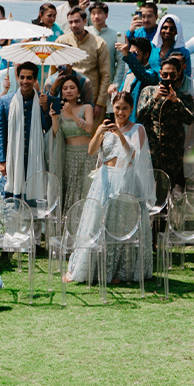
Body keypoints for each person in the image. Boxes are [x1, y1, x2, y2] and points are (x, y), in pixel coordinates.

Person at [64, 91, 154, 284]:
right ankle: (90, 267)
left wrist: (120, 134)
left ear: (131, 109)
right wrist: (99, 132)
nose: (120, 112)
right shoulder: (104, 127)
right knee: (96, 222)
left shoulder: (137, 129)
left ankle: (120, 270)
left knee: (121, 225)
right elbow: (91, 151)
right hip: (104, 179)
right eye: (117, 108)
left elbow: (133, 155)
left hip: (126, 180)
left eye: (124, 109)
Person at [136, 54, 194, 190]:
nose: (168, 78)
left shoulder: (184, 96)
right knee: (148, 188)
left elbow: (190, 119)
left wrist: (176, 102)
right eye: (165, 75)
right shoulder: (148, 91)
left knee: (168, 189)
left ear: (178, 74)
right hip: (152, 149)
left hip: (173, 152)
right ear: (160, 73)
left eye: (172, 75)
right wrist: (155, 98)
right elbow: (140, 115)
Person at [0, 62, 51, 199]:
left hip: (35, 156)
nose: (25, 81)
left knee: (33, 197)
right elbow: (1, 132)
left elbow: (48, 128)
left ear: (35, 79)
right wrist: (2, 160)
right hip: (13, 156)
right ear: (17, 78)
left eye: (29, 78)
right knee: (11, 197)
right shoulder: (6, 101)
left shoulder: (43, 100)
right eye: (22, 77)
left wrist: (45, 109)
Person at [55, 6, 110, 118]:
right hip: (65, 99)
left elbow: (105, 75)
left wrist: (100, 103)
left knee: (91, 129)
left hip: (91, 98)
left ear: (85, 21)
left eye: (77, 21)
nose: (73, 25)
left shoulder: (99, 43)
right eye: (70, 22)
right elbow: (53, 70)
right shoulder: (61, 41)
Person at [48, 76, 93, 208]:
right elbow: (56, 134)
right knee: (70, 190)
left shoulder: (86, 107)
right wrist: (54, 118)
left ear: (78, 92)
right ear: (62, 93)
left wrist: (72, 116)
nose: (68, 91)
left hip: (87, 154)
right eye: (65, 88)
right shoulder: (60, 111)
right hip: (69, 155)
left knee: (86, 189)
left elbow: (89, 128)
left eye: (72, 88)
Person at [87, 1, 119, 81]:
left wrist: (116, 84)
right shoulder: (84, 33)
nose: (96, 16)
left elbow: (120, 63)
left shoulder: (117, 36)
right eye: (93, 13)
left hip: (108, 82)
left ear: (106, 15)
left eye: (99, 13)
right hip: (87, 82)